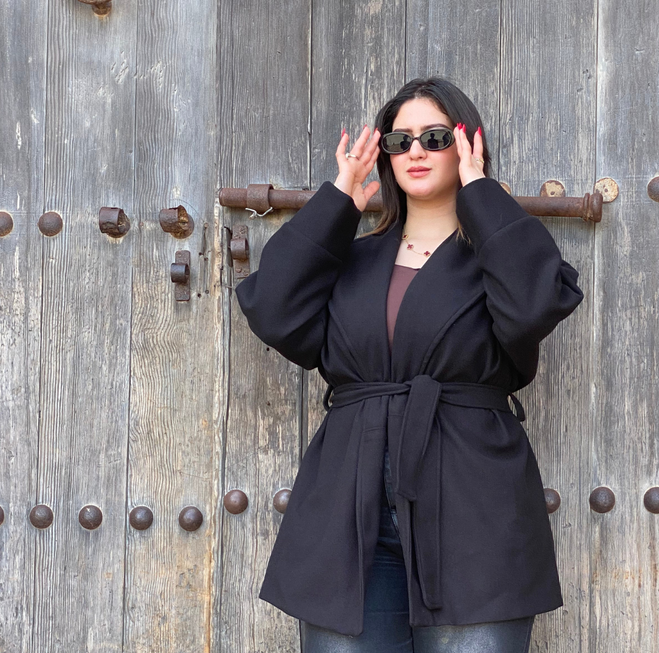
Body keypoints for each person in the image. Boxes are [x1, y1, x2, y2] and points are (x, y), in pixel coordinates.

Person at [236, 77, 583, 652]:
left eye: (435, 137)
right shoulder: (354, 260)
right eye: (400, 141)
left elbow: (535, 304)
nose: (415, 151)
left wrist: (481, 192)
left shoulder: (496, 258)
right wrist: (338, 200)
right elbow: (272, 309)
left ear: (467, 143)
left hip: (473, 503)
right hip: (350, 508)